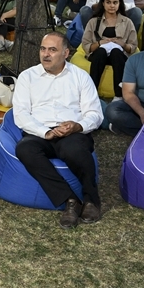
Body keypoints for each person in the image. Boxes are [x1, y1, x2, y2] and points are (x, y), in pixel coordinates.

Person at [12, 32, 104, 228]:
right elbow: (20, 114)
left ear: (66, 53)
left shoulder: (80, 77)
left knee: (75, 150)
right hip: (40, 132)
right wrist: (46, 132)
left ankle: (91, 200)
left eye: (52, 50)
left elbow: (95, 114)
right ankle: (70, 200)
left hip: (71, 132)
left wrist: (77, 126)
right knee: (24, 149)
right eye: (43, 49)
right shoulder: (27, 77)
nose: (46, 54)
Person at [80, 0, 135, 97]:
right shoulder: (93, 21)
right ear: (103, 4)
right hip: (98, 54)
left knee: (116, 52)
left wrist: (122, 44)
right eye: (108, 2)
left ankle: (119, 96)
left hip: (119, 55)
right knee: (100, 52)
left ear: (120, 4)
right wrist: (100, 43)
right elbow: (86, 45)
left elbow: (132, 47)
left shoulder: (127, 22)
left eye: (115, 2)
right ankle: (91, 93)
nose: (112, 6)